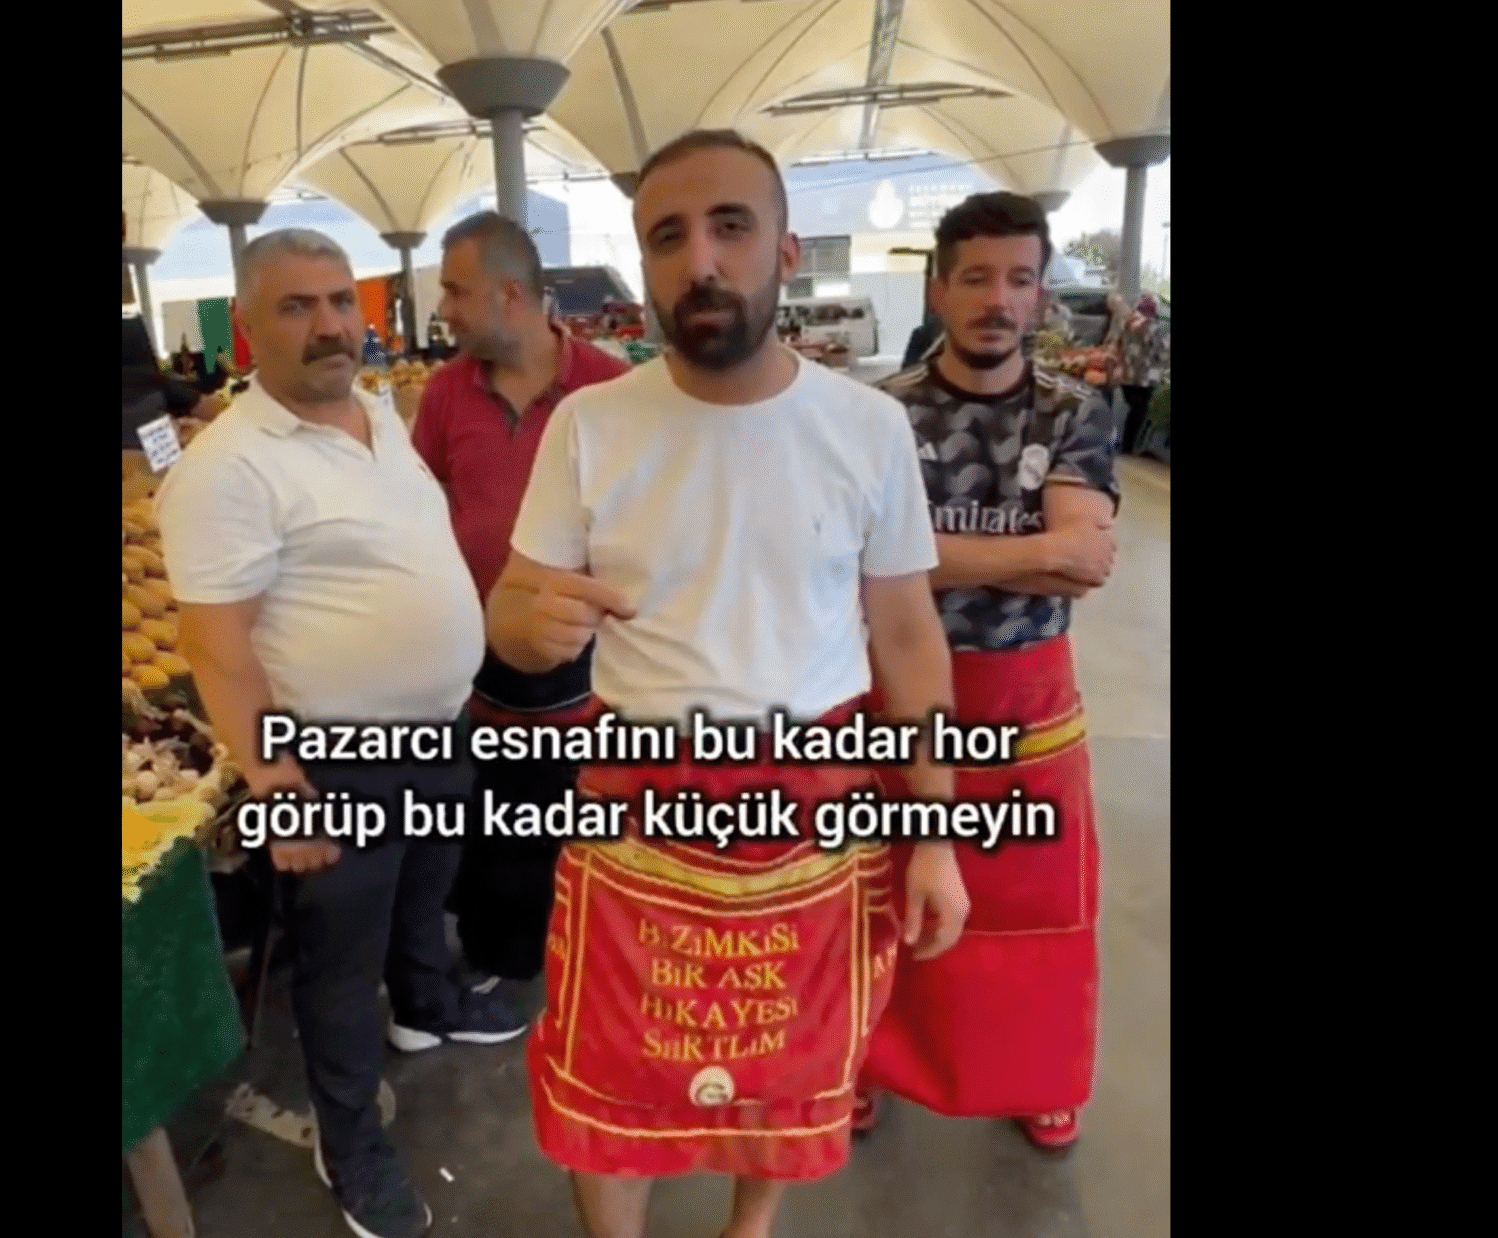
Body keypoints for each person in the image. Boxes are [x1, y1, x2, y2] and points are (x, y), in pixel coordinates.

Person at [488, 128, 970, 1238]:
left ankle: (747, 1232)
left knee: (789, 1057)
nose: (700, 259)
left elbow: (906, 636)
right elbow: (511, 609)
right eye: (668, 237)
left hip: (816, 794)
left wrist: (938, 836)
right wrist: (525, 627)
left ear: (785, 252)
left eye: (730, 227)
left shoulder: (867, 427)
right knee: (613, 1060)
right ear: (646, 266)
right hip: (636, 794)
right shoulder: (588, 425)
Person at [154, 228, 527, 1238]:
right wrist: (280, 788)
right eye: (295, 306)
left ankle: (427, 1005)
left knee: (425, 892)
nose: (327, 324)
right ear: (245, 324)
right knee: (337, 963)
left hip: (436, 730)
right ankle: (351, 1138)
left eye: (337, 301)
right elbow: (217, 647)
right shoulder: (227, 469)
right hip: (334, 760)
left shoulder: (378, 413)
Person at [860, 191, 1118, 1153]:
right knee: (886, 893)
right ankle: (870, 1062)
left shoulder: (1073, 410)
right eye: (975, 278)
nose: (997, 300)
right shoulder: (880, 415)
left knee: (1036, 913)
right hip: (900, 696)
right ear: (939, 288)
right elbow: (860, 566)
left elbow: (1084, 562)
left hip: (1030, 704)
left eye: (1018, 279)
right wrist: (1034, 551)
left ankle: (1038, 1077)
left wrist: (917, 557)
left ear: (1040, 294)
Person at [411, 211, 631, 986]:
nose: (445, 309)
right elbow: (423, 498)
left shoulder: (611, 389)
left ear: (510, 294)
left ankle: (557, 956)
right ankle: (501, 958)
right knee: (490, 812)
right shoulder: (446, 392)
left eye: (456, 291)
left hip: (581, 653)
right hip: (472, 651)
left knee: (565, 811)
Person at [1116, 294, 1168, 455]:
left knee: (1134, 410)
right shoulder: (1153, 327)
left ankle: (1127, 445)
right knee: (1137, 411)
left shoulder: (1129, 323)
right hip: (1143, 378)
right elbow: (1162, 352)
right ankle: (1127, 446)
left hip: (1133, 376)